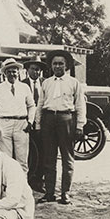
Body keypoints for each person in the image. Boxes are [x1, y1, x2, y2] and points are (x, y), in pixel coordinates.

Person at [34, 52, 87, 204]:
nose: (57, 66)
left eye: (61, 63)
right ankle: (49, 193)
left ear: (66, 65)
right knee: (49, 159)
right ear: (51, 66)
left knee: (67, 158)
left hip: (66, 119)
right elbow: (40, 104)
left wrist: (80, 125)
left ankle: (65, 193)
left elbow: (80, 105)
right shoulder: (46, 83)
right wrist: (38, 123)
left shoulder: (73, 83)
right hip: (49, 119)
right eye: (55, 63)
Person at [0, 57, 35, 173]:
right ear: (4, 73)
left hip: (21, 124)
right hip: (4, 124)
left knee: (22, 159)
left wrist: (30, 121)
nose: (11, 74)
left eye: (14, 71)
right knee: (6, 159)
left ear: (18, 72)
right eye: (8, 71)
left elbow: (31, 106)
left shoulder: (25, 87)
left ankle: (22, 188)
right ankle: (7, 188)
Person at [23, 58, 47, 191]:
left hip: (43, 123)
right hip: (26, 123)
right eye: (32, 68)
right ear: (27, 70)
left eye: (38, 69)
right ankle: (28, 179)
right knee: (27, 152)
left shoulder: (45, 83)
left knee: (43, 151)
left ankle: (39, 180)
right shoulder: (22, 84)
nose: (35, 72)